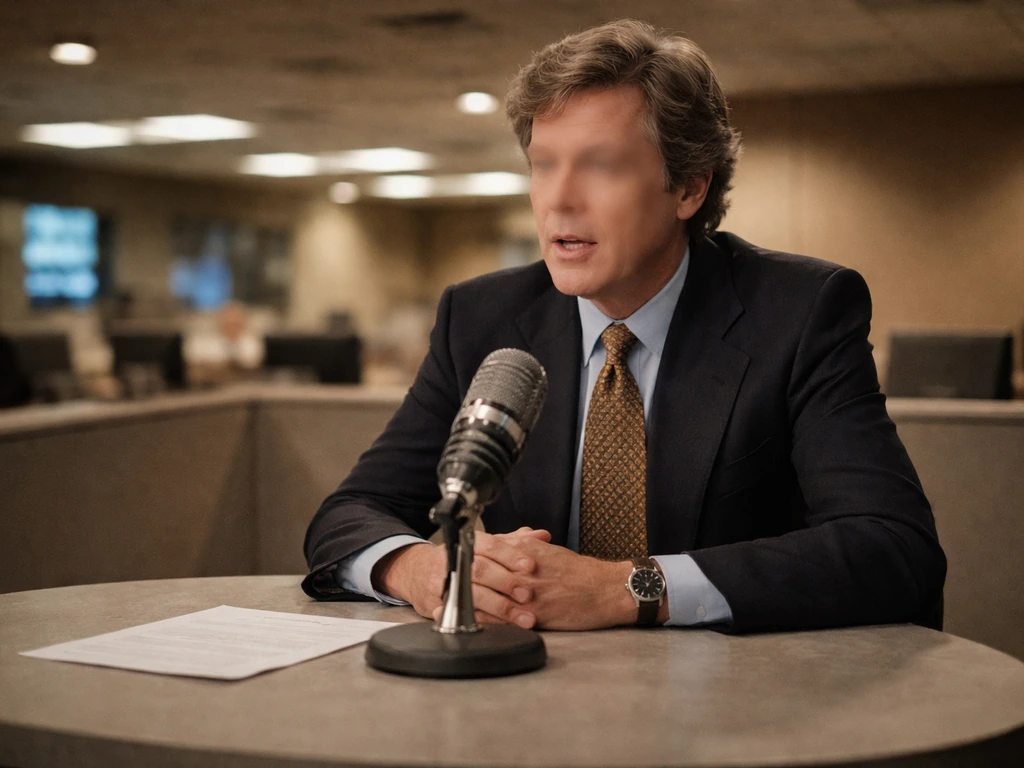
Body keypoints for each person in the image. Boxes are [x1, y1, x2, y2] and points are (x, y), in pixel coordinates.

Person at [302, 20, 946, 632]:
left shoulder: (801, 312)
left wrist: (626, 588)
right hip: (527, 688)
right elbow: (350, 513)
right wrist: (419, 568)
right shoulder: (479, 317)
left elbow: (892, 546)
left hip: (733, 693)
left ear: (688, 189)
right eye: (543, 164)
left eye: (601, 165)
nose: (559, 199)